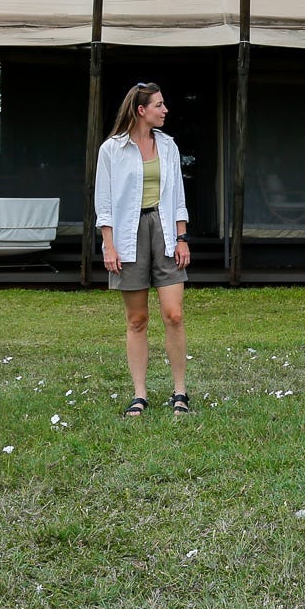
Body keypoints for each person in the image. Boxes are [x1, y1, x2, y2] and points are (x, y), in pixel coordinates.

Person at [94, 82, 192, 416]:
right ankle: (140, 396)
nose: (165, 111)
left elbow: (177, 195)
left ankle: (180, 393)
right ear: (141, 110)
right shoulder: (112, 149)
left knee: (174, 314)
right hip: (127, 234)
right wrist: (108, 245)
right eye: (159, 105)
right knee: (137, 319)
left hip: (164, 230)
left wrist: (181, 237)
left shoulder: (168, 147)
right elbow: (104, 203)